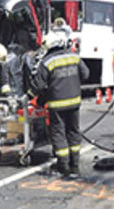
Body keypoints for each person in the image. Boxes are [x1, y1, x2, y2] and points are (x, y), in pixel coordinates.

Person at [30, 31, 90, 175]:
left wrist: (31, 97)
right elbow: (86, 74)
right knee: (73, 132)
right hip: (75, 102)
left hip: (57, 105)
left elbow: (38, 86)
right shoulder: (74, 56)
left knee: (58, 133)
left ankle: (63, 166)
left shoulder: (47, 62)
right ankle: (74, 164)